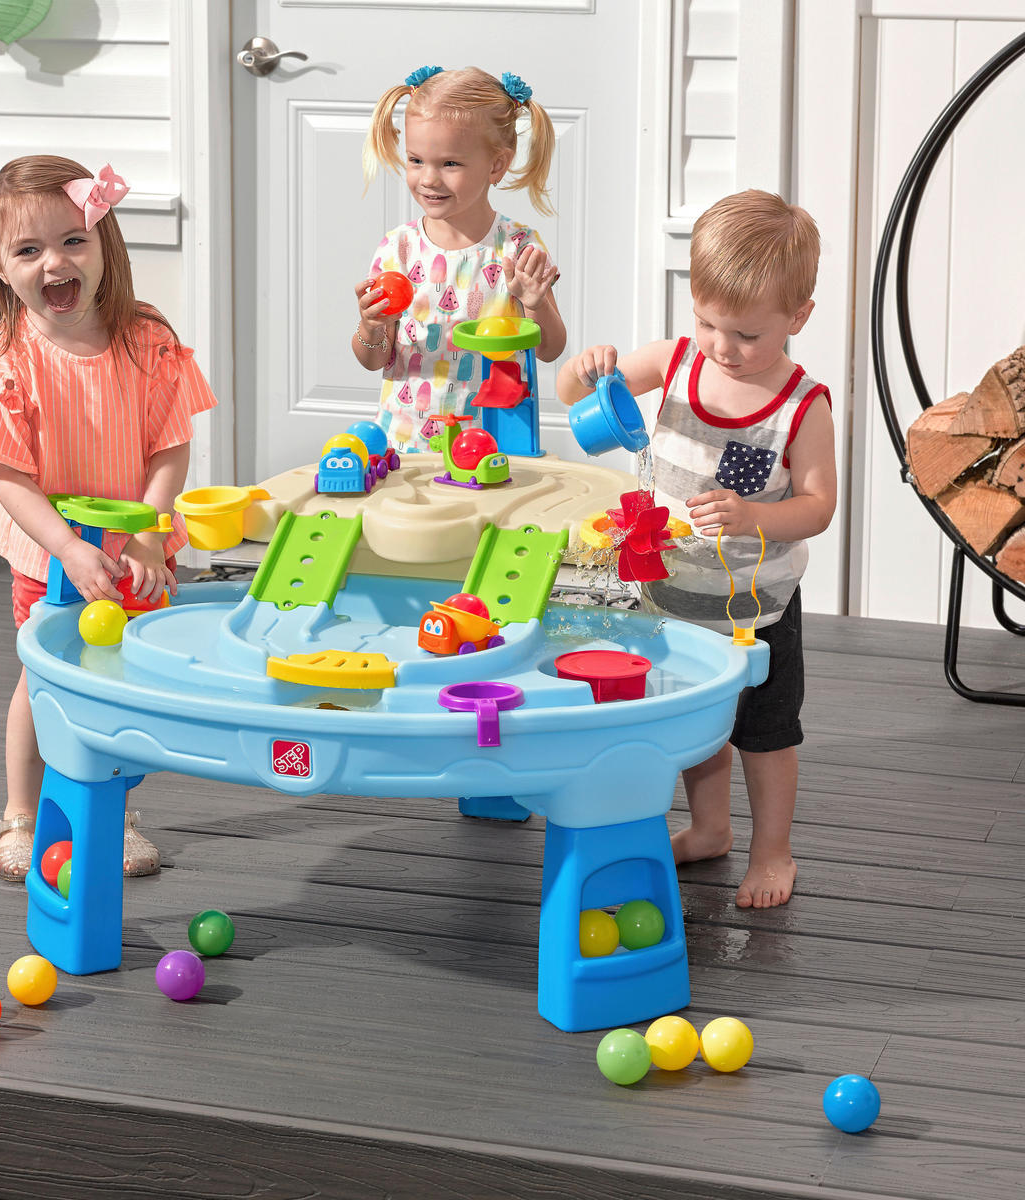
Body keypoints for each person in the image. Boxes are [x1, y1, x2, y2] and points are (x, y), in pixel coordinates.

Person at [556, 189, 836, 909]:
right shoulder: (675, 361)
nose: (722, 347)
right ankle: (710, 829)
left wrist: (754, 516)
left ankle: (773, 853)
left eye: (746, 334)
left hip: (756, 609)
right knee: (695, 721)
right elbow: (570, 395)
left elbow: (818, 506)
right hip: (671, 593)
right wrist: (585, 370)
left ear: (799, 317)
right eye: (707, 322)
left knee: (765, 733)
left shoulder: (802, 406)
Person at [0, 156, 217, 882]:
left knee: (119, 683)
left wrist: (150, 536)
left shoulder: (146, 340)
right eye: (28, 250)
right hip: (52, 559)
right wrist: (67, 547)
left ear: (104, 242)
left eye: (73, 240)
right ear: (0, 267)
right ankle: (20, 814)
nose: (54, 262)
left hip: (136, 556)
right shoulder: (5, 363)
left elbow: (170, 446)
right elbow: (10, 477)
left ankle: (112, 814)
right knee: (43, 680)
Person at [354, 65, 567, 453]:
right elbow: (373, 360)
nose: (428, 179)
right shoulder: (397, 249)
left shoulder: (517, 248)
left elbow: (550, 350)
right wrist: (371, 325)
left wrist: (536, 304)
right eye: (416, 160)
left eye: (449, 163)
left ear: (496, 165)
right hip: (405, 446)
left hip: (494, 447)